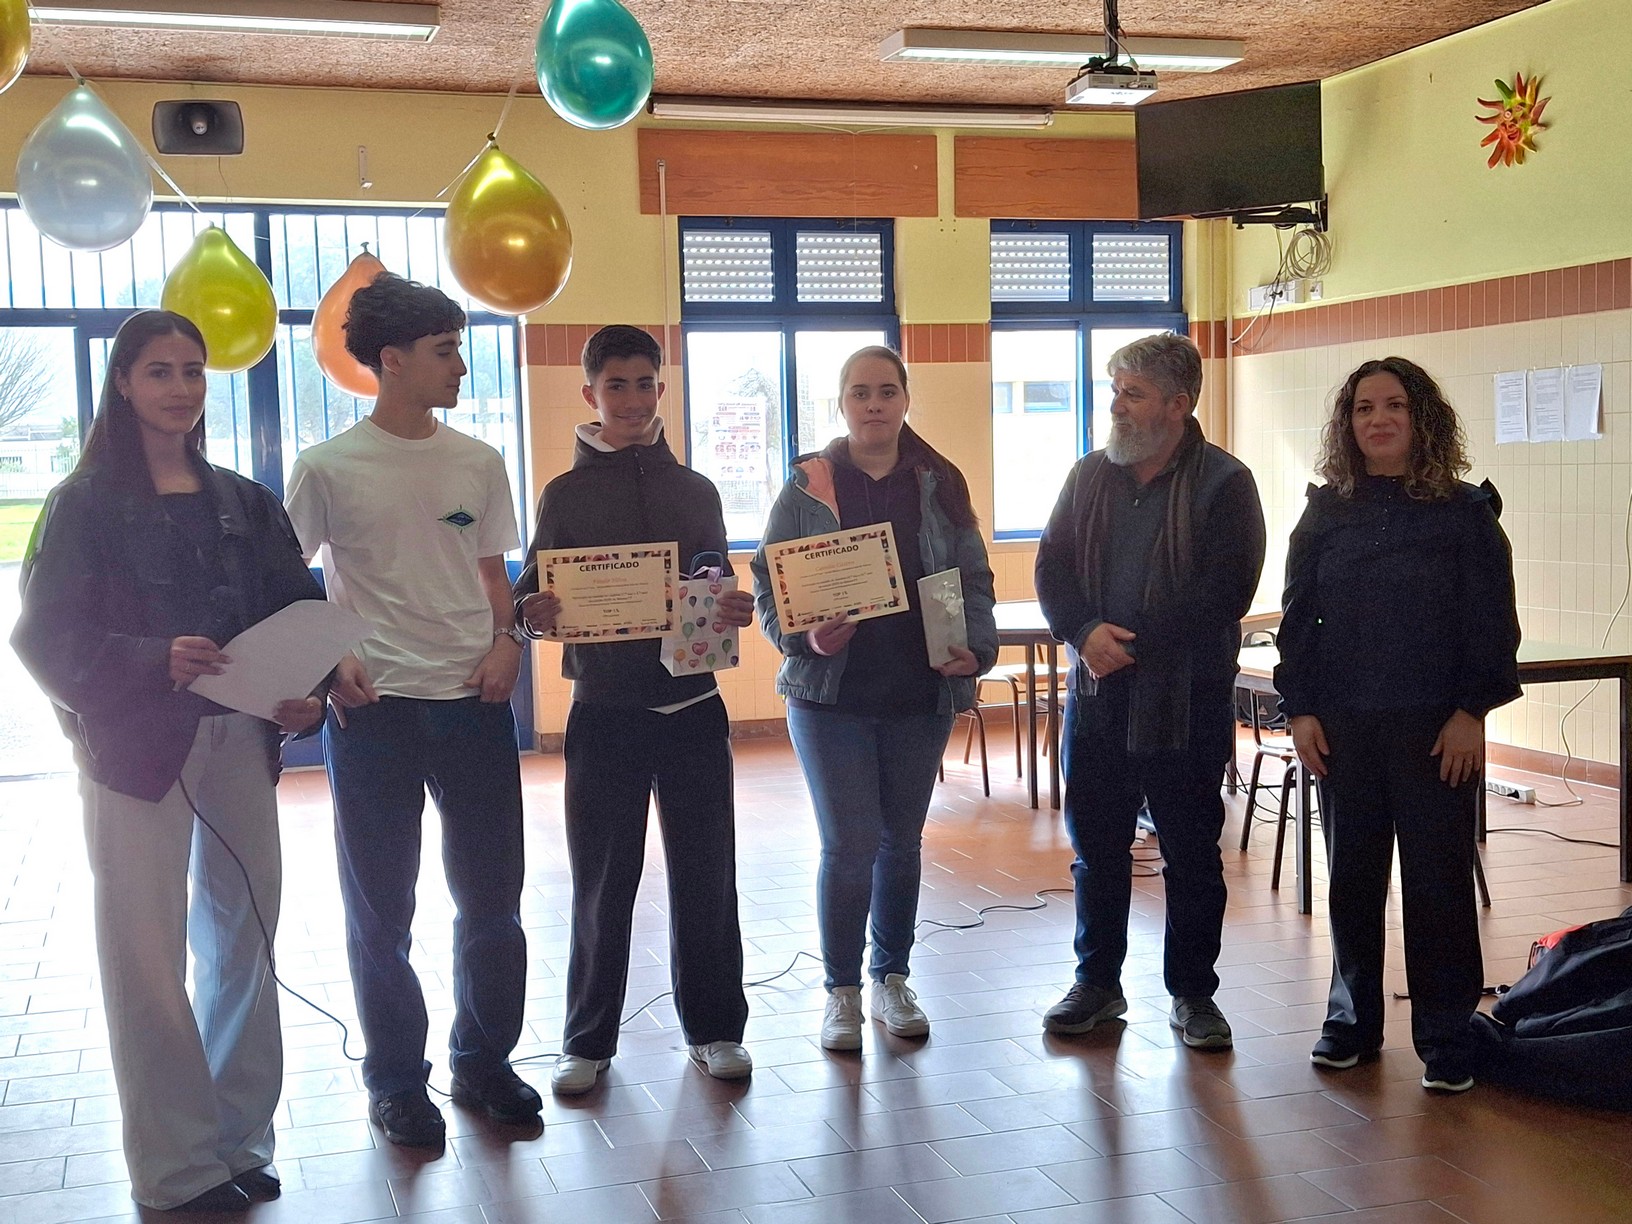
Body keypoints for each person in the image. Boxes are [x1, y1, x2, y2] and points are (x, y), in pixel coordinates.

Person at [10, 310, 326, 1212]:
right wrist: (155, 658)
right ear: (123, 382)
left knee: (245, 940)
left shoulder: (246, 501)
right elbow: (43, 635)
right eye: (159, 371)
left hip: (240, 740)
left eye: (193, 370)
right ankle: (175, 1169)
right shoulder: (82, 505)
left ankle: (237, 1142)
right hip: (133, 750)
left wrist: (307, 689)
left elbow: (297, 610)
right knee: (145, 952)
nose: (181, 388)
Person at [284, 273, 537, 1147]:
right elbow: (288, 583)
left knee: (493, 902)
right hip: (375, 715)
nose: (461, 366)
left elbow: (494, 575)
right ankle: (396, 1081)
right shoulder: (326, 467)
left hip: (474, 704)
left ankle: (484, 1062)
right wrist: (332, 657)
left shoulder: (479, 461)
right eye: (445, 351)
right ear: (391, 360)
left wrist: (509, 642)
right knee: (382, 913)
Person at [513, 325, 754, 1094]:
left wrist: (733, 606)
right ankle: (586, 1041)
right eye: (614, 385)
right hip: (605, 713)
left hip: (694, 707)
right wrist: (533, 614)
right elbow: (529, 595)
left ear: (661, 388)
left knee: (707, 876)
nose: (631, 398)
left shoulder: (697, 490)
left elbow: (714, 576)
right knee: (601, 883)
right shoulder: (565, 494)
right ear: (590, 393)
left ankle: (716, 1029)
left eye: (644, 383)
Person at [1276, 356, 1520, 1093]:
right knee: (1352, 879)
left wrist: (1472, 713)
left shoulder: (1464, 512)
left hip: (1437, 729)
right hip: (1344, 727)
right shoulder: (1326, 512)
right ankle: (1351, 1022)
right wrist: (1301, 709)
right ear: (1347, 424)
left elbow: (1491, 622)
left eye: (1394, 406)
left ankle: (1447, 1035)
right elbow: (1298, 621)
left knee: (1439, 883)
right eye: (1363, 408)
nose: (1377, 419)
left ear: (1422, 418)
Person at [751, 345, 998, 1051]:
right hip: (829, 698)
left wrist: (976, 649)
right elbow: (770, 584)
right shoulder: (807, 485)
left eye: (887, 391)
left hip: (919, 692)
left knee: (901, 843)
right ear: (842, 403)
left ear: (906, 398)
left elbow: (973, 578)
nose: (874, 404)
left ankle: (891, 977)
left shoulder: (939, 481)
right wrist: (804, 639)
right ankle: (842, 992)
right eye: (860, 392)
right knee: (849, 845)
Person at [1035, 332, 1265, 1050]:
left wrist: (1129, 647)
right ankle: (1097, 983)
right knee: (1097, 848)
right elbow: (1051, 567)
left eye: (1132, 393)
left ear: (1177, 403)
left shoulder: (1226, 483)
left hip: (1185, 701)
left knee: (1191, 853)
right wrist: (1082, 631)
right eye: (1115, 391)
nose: (1116, 405)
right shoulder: (1088, 476)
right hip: (1098, 697)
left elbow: (1224, 592)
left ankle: (1194, 994)